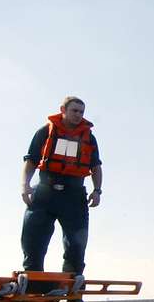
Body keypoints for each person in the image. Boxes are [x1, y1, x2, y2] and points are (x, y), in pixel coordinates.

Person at [21, 96, 102, 276]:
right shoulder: (45, 132)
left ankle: (72, 293)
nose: (78, 115)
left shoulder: (89, 138)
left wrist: (97, 191)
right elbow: (31, 161)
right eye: (74, 111)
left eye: (81, 112)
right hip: (45, 193)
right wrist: (24, 185)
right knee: (33, 242)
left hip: (74, 196)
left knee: (76, 246)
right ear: (63, 110)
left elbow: (96, 167)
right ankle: (33, 290)